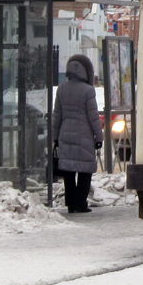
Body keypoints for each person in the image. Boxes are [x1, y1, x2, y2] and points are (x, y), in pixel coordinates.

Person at [53, 54, 102, 214]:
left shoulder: (61, 89)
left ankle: (70, 204)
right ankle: (81, 203)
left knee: (68, 172)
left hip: (65, 134)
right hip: (84, 136)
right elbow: (94, 117)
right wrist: (99, 138)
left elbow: (57, 115)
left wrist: (54, 138)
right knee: (84, 172)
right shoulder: (88, 91)